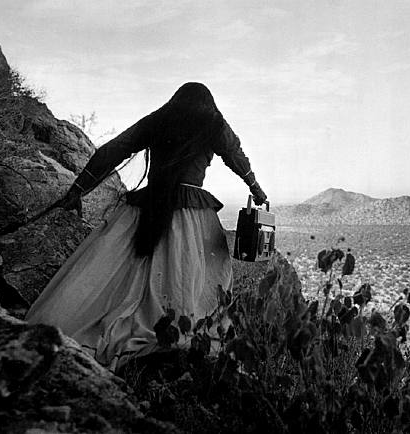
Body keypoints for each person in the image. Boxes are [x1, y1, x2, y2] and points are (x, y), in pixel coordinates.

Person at [25, 82, 267, 371]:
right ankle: (178, 333)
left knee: (121, 272)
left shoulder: (160, 118)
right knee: (193, 279)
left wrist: (78, 189)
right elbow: (235, 155)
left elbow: (114, 150)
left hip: (146, 208)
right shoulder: (213, 122)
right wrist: (257, 189)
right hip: (191, 214)